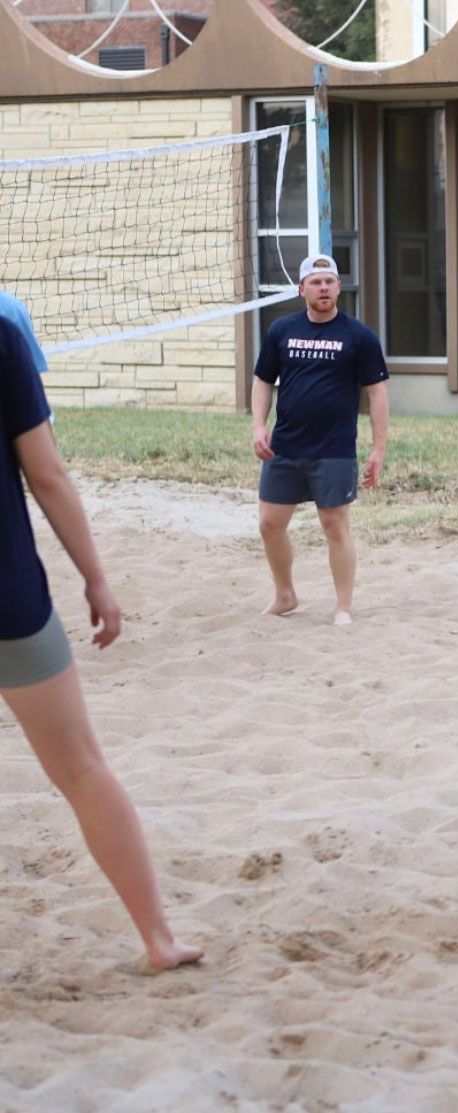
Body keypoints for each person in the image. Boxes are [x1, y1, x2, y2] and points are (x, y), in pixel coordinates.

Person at [0, 316, 202, 970]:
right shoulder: (2, 334)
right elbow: (47, 474)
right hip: (10, 599)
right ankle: (157, 939)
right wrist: (96, 580)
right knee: (83, 768)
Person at [252, 254, 390, 625]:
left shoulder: (359, 336)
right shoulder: (281, 331)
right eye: (315, 282)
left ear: (338, 288)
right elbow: (263, 380)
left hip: (334, 449)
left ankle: (343, 606)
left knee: (334, 525)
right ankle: (285, 594)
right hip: (286, 445)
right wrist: (258, 427)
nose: (323, 287)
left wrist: (378, 449)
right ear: (302, 289)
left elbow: (377, 393)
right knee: (269, 523)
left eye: (329, 281)